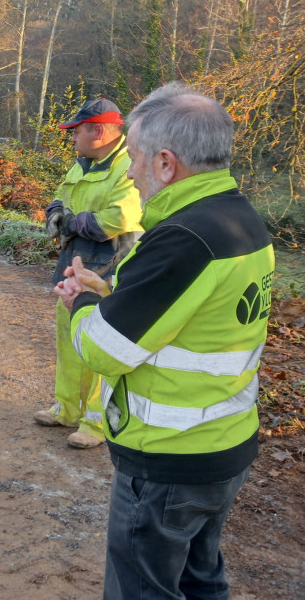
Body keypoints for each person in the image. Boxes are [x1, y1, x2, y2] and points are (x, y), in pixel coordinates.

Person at [54, 82, 273, 599]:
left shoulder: (183, 238)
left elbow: (105, 349)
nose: (129, 171)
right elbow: (190, 317)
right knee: (201, 580)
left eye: (134, 158)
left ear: (167, 164)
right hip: (225, 446)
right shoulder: (241, 220)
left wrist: (83, 303)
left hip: (168, 461)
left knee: (144, 589)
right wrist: (110, 291)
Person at [36, 98, 143, 449]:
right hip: (74, 264)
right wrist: (56, 214)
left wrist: (69, 222)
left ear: (98, 131)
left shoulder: (128, 164)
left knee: (100, 346)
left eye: (77, 132)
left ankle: (96, 424)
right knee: (69, 339)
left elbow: (117, 220)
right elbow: (60, 198)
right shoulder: (83, 164)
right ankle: (66, 407)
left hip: (109, 271)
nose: (73, 139)